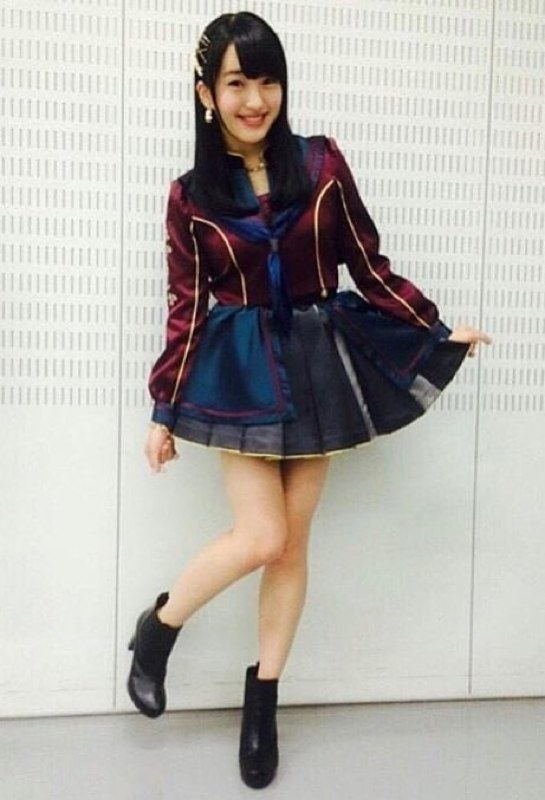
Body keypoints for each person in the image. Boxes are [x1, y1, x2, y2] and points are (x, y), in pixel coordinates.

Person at [127, 10, 492, 790]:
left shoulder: (321, 165)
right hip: (239, 372)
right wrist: (164, 410)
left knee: (291, 547)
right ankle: (159, 627)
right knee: (260, 536)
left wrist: (432, 328)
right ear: (206, 94)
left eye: (268, 81)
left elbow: (367, 261)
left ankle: (261, 704)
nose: (255, 99)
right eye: (236, 83)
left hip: (318, 361)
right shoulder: (191, 197)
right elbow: (185, 307)